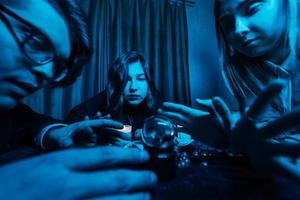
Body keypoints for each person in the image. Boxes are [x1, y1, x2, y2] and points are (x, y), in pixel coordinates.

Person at [0, 0, 157, 198]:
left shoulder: (158, 106)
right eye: (35, 41)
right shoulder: (91, 107)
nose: (47, 73)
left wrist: (55, 132)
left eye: (57, 66)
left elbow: (27, 121)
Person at [159, 0, 300, 183]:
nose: (238, 30)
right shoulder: (244, 70)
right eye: (226, 24)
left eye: (251, 9)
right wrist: (231, 134)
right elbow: (271, 127)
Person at [56, 51, 161, 147]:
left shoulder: (158, 106)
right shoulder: (103, 101)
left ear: (149, 82)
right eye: (126, 80)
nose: (133, 87)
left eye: (141, 79)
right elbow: (67, 129)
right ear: (118, 83)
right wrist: (91, 139)